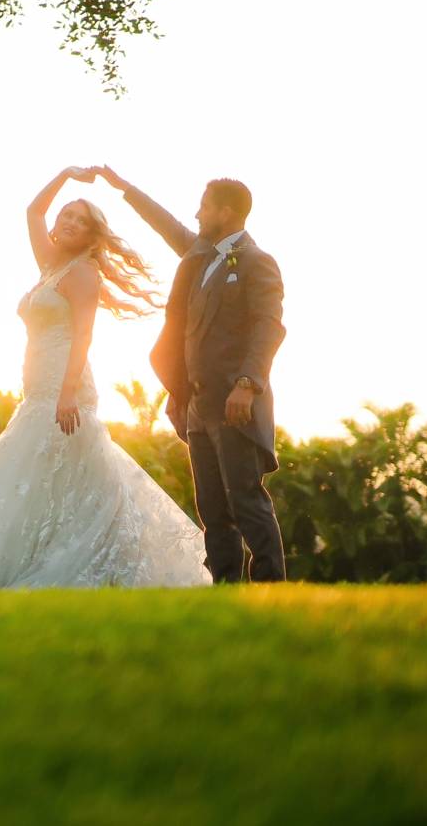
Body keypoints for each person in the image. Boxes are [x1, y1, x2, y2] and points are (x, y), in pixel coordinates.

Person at [0, 166, 210, 590]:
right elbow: (33, 211)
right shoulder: (50, 265)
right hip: (37, 389)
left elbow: (84, 335)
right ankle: (33, 557)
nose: (68, 222)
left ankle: (114, 564)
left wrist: (68, 391)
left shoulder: (81, 273)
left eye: (80, 220)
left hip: (64, 389)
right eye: (67, 215)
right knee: (39, 481)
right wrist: (66, 175)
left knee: (77, 477)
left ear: (92, 237)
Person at [96, 167, 287, 582]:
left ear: (226, 212)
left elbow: (268, 326)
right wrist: (125, 188)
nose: (196, 215)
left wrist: (247, 384)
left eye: (203, 208)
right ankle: (225, 591)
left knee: (246, 504)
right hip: (198, 406)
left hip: (236, 404)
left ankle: (274, 591)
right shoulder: (199, 254)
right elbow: (168, 226)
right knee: (213, 510)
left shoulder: (257, 262)